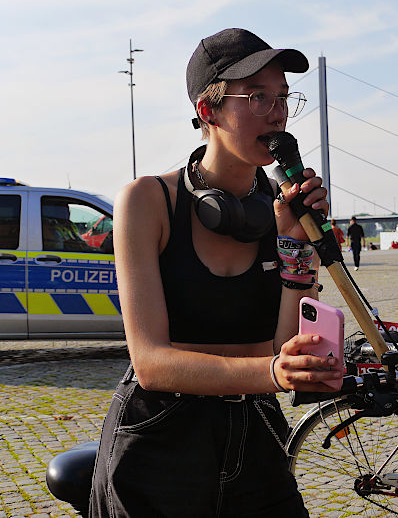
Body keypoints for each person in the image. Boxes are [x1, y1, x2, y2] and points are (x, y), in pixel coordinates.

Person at [89, 28, 342, 517]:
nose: (277, 112)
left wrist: (295, 242)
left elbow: (281, 346)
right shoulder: (148, 201)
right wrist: (272, 371)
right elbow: (151, 363)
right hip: (160, 439)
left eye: (284, 97)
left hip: (255, 435)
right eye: (258, 96)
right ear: (208, 111)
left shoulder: (280, 206)